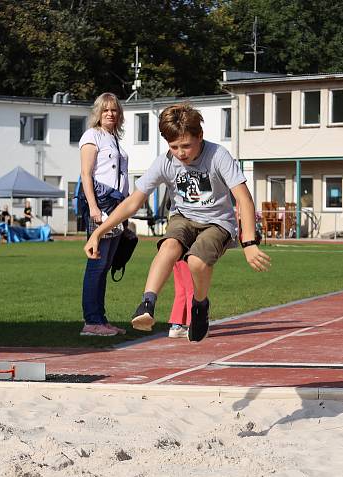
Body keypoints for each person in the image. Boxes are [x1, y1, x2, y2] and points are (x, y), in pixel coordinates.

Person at [85, 103, 270, 342]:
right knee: (169, 246)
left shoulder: (218, 155)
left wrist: (249, 242)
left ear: (200, 136)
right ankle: (147, 304)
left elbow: (244, 199)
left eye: (186, 146)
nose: (181, 153)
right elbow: (133, 202)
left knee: (196, 262)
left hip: (217, 223)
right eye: (174, 147)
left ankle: (200, 305)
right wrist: (98, 232)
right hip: (183, 218)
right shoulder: (165, 162)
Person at [77, 93, 129, 336]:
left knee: (106, 263)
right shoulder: (92, 136)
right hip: (103, 201)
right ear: (98, 112)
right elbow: (86, 174)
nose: (110, 114)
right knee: (97, 263)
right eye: (106, 110)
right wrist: (94, 207)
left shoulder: (115, 138)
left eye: (114, 110)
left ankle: (100, 318)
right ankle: (92, 321)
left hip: (118, 202)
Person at [168, 260, 193, 338]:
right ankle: (194, 326)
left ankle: (176, 327)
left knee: (181, 289)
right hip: (189, 253)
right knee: (193, 289)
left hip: (177, 255)